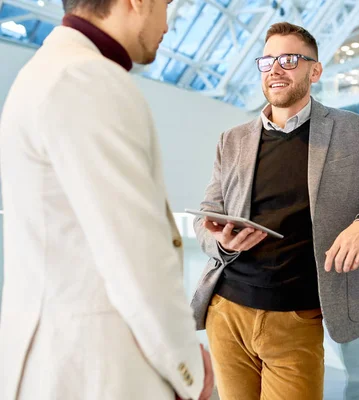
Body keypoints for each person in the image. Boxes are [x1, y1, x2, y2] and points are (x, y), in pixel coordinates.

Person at [191, 22, 359, 400]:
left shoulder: (350, 130)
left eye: (289, 59)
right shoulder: (232, 140)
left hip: (297, 319)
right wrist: (221, 240)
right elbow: (205, 215)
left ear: (315, 71)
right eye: (267, 61)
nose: (276, 68)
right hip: (226, 312)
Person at [0, 0, 213, 398]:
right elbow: (136, 253)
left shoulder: (48, 71)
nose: (169, 22)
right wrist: (187, 369)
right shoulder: (86, 78)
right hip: (96, 369)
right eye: (167, 4)